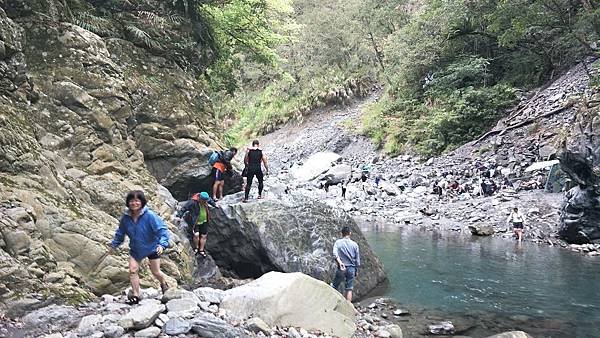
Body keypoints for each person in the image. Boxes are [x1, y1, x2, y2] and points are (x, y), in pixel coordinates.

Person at [109, 190, 170, 305]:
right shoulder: (126, 218)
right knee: (133, 271)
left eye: (137, 201)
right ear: (128, 202)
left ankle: (163, 283)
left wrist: (162, 244)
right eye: (131, 201)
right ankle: (136, 295)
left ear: (142, 202)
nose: (134, 203)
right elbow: (120, 233)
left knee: (156, 272)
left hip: (152, 248)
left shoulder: (150, 216)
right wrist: (114, 245)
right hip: (136, 250)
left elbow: (162, 230)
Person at [176, 192, 217, 258]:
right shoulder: (192, 202)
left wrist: (215, 205)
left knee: (204, 235)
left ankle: (201, 250)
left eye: (205, 201)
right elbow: (184, 208)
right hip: (196, 222)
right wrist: (179, 216)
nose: (205, 202)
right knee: (196, 235)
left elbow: (210, 200)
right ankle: (196, 248)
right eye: (204, 201)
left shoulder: (206, 199)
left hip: (204, 221)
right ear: (200, 199)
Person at [331, 226, 360, 302]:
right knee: (349, 289)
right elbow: (357, 260)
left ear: (341, 233)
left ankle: (332, 303)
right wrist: (356, 270)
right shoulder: (355, 244)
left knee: (334, 286)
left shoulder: (338, 242)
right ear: (350, 233)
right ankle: (348, 307)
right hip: (351, 268)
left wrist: (340, 263)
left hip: (341, 268)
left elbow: (334, 254)